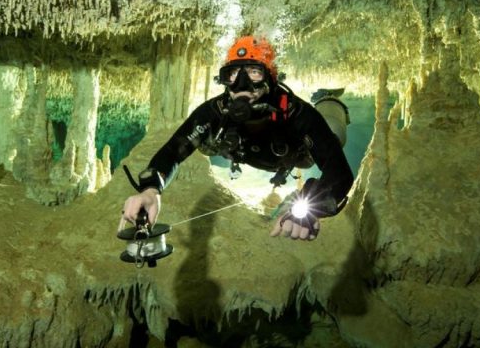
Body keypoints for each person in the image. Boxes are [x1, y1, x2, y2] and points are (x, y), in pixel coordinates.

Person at [120, 36, 354, 240]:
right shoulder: (215, 111)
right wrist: (150, 190)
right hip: (242, 152)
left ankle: (328, 99)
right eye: (233, 74)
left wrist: (311, 208)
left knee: (333, 134)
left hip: (295, 156)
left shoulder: (296, 113)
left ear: (270, 78)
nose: (242, 85)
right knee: (204, 140)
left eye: (254, 72)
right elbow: (174, 150)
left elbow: (339, 173)